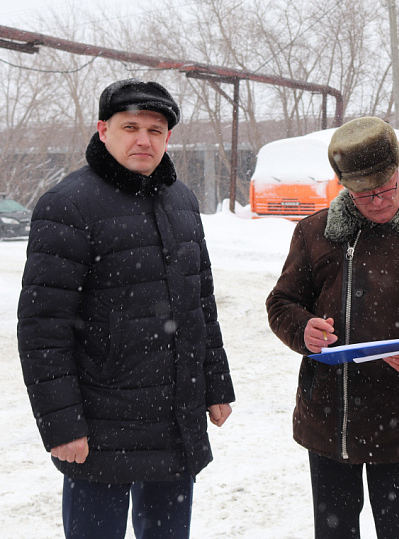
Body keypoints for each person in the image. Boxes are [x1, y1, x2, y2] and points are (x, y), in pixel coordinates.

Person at [17, 78, 236, 539]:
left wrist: (216, 384)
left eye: (155, 130)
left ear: (168, 137)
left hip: (173, 420)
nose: (144, 140)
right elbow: (43, 328)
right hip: (100, 425)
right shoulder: (68, 204)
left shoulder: (182, 201)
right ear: (104, 130)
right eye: (130, 127)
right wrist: (62, 425)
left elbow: (200, 303)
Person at [266, 116, 399, 539]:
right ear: (344, 186)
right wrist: (303, 328)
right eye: (364, 194)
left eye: (385, 189)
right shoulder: (314, 233)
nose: (378, 202)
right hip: (331, 420)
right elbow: (281, 303)